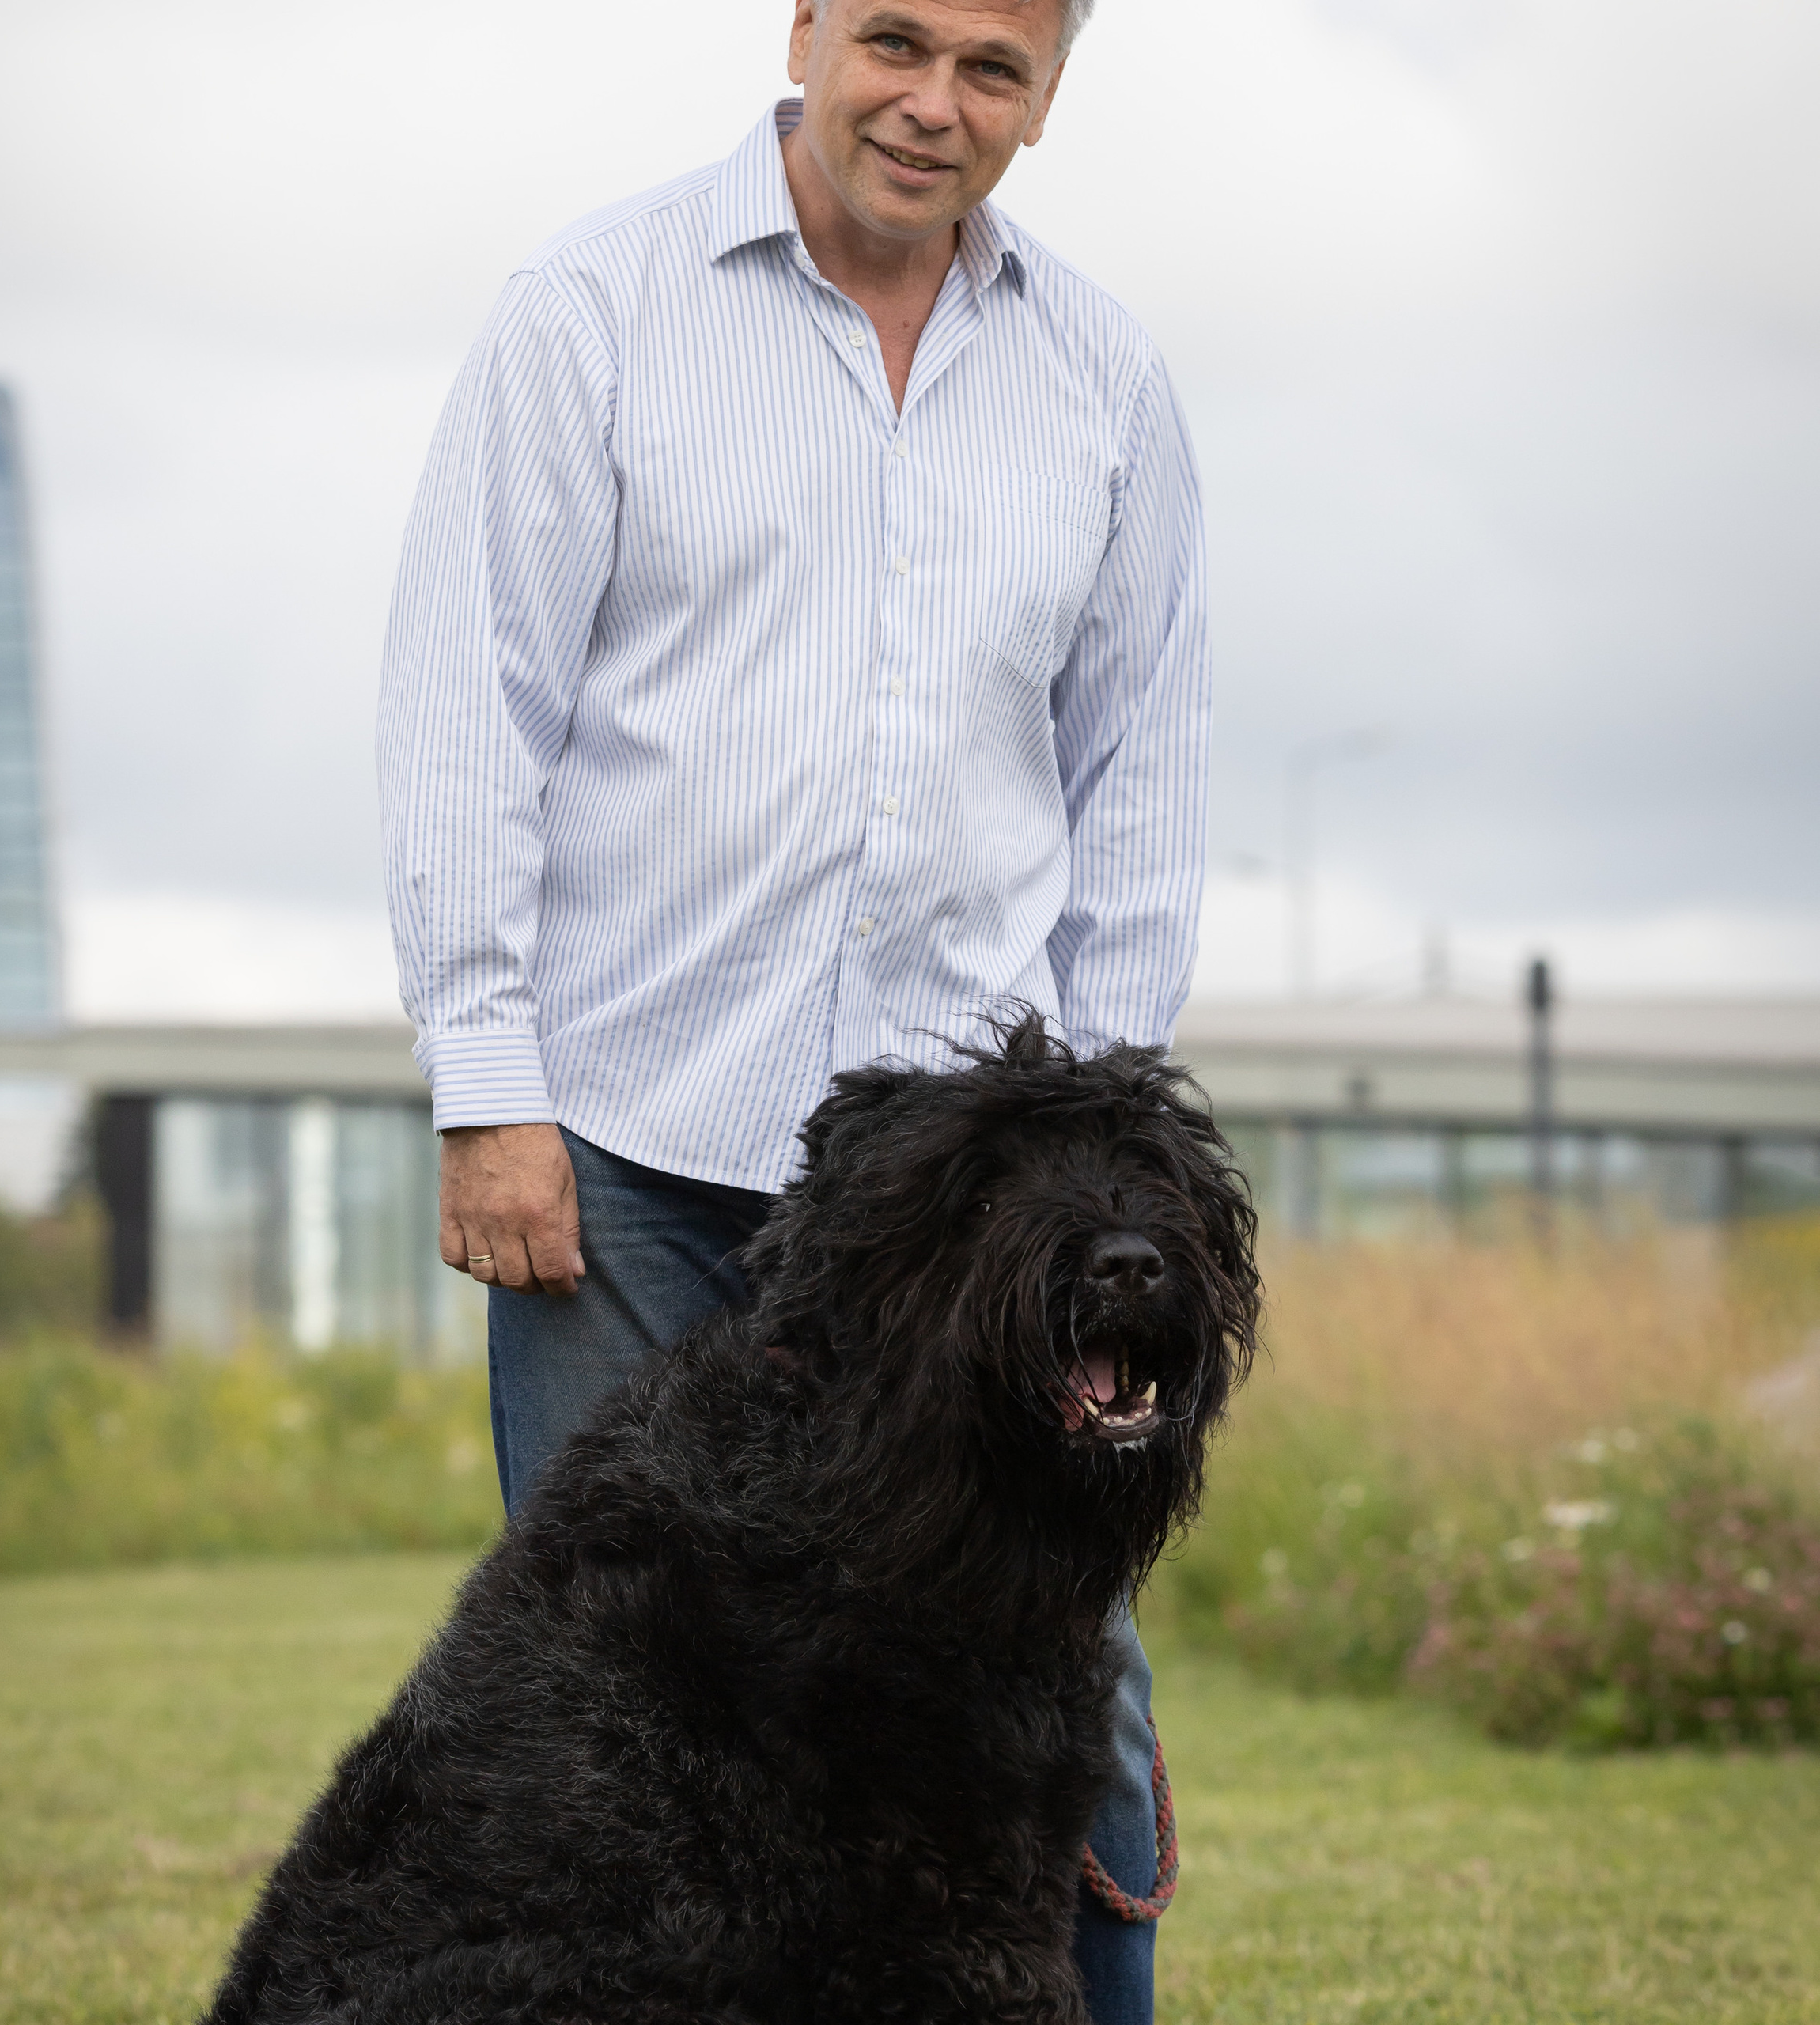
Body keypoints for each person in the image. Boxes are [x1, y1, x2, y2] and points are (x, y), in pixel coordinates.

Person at [376, 2, 1210, 2016]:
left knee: (1052, 1688)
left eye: (994, 68)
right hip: (631, 1157)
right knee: (649, 1719)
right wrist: (486, 1084)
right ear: (807, 30)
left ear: (1049, 93)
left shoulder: (1105, 379)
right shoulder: (589, 312)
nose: (933, 103)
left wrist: (1093, 1155)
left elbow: (1141, 785)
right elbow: (463, 710)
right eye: (896, 40)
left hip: (967, 1211)